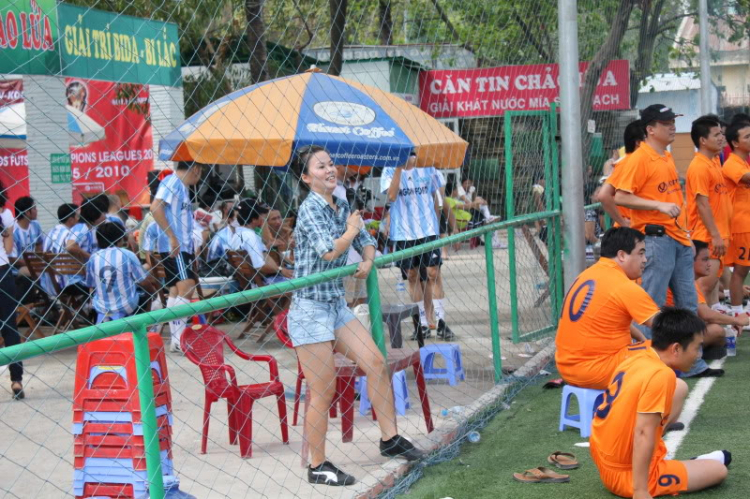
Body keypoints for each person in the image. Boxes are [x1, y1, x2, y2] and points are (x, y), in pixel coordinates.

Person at [290, 145, 423, 486]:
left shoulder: (342, 202)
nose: (330, 170)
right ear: (306, 178)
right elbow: (329, 250)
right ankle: (317, 465)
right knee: (323, 389)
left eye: (331, 164)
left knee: (375, 362)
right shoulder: (309, 210)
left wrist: (365, 259)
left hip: (335, 304)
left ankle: (390, 439)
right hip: (309, 309)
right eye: (321, 167)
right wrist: (350, 232)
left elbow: (366, 240)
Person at [614, 105, 716, 379]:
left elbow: (673, 200)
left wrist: (685, 238)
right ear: (650, 129)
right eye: (665, 122)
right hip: (656, 239)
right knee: (651, 305)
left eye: (673, 121)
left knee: (688, 304)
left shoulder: (666, 157)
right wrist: (657, 206)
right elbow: (619, 196)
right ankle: (644, 368)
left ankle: (692, 364)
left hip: (677, 238)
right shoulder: (639, 158)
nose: (672, 126)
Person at [590, 307, 729, 499]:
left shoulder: (639, 355)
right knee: (718, 470)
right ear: (676, 349)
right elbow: (642, 433)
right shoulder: (661, 374)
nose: (698, 355)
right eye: (696, 348)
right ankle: (683, 466)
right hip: (625, 475)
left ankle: (678, 464)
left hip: (603, 458)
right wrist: (640, 491)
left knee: (679, 387)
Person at [555, 227, 657, 390]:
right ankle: (639, 411)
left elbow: (606, 317)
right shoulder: (622, 285)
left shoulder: (588, 274)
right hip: (596, 368)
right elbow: (666, 327)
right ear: (622, 255)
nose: (645, 259)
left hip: (566, 366)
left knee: (656, 348)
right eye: (641, 253)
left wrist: (641, 339)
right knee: (669, 350)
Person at [382, 151, 454, 340]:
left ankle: (440, 322)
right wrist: (399, 167)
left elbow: (439, 198)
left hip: (428, 230)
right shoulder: (389, 169)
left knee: (433, 273)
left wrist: (442, 226)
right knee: (412, 276)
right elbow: (391, 195)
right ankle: (422, 323)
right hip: (404, 233)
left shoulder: (428, 166)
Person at [150, 161, 203, 353]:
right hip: (177, 246)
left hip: (179, 245)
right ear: (196, 169)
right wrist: (172, 236)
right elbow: (155, 207)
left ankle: (176, 340)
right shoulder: (173, 182)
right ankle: (181, 340)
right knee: (187, 286)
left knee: (175, 289)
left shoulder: (178, 185)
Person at [665, 240, 748, 352]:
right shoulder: (685, 281)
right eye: (705, 260)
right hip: (669, 334)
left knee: (713, 326)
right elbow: (706, 314)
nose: (709, 264)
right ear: (690, 261)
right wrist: (736, 320)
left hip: (671, 329)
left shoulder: (686, 279)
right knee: (716, 331)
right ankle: (692, 352)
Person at [685, 116, 731, 307]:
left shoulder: (714, 162)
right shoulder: (699, 167)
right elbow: (702, 204)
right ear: (703, 140)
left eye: (721, 133)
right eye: (716, 134)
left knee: (711, 287)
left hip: (718, 236)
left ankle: (712, 328)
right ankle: (691, 331)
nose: (721, 137)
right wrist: (715, 235)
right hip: (707, 238)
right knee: (703, 287)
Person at [87, 222, 158, 323]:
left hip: (101, 307)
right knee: (146, 294)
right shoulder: (128, 255)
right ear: (119, 239)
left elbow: (90, 284)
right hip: (126, 306)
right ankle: (146, 326)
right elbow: (143, 282)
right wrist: (153, 293)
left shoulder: (93, 257)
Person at [722, 119, 750, 325]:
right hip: (742, 225)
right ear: (735, 142)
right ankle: (738, 313)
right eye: (747, 137)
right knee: (740, 271)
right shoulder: (732, 164)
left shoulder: (743, 161)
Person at [598, 120, 645, 228]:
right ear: (638, 142)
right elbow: (604, 195)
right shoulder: (627, 163)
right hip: (634, 231)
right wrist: (623, 223)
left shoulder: (645, 161)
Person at [229, 200, 292, 282]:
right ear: (254, 219)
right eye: (261, 215)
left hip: (248, 282)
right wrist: (280, 270)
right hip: (262, 283)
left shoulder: (236, 235)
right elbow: (260, 266)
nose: (263, 217)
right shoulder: (250, 236)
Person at [0, 182, 23, 399]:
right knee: (10, 327)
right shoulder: (5, 214)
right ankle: (16, 380)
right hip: (2, 272)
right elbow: (8, 249)